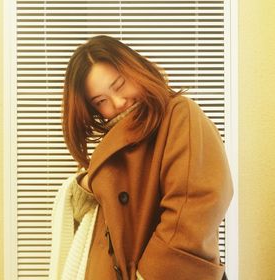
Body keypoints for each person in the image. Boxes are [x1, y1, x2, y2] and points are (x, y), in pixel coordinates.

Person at [51, 35, 233, 280]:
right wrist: (84, 184)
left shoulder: (179, 115)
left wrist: (147, 275)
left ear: (135, 69)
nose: (118, 102)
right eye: (101, 101)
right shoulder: (113, 142)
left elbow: (193, 208)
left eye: (120, 85)